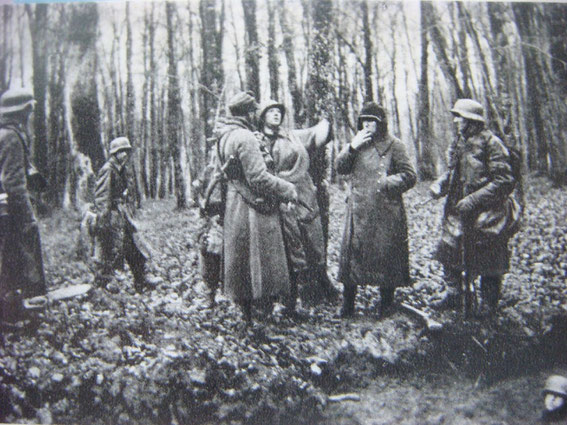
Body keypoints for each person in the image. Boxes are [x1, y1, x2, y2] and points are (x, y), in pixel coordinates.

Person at [214, 91, 299, 323]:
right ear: (249, 113)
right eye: (254, 111)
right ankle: (262, 317)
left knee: (241, 261)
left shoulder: (223, 136)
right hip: (254, 207)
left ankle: (247, 316)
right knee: (261, 261)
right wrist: (287, 188)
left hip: (234, 205)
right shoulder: (245, 137)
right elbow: (258, 178)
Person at [430, 99, 515, 314]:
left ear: (472, 121)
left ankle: (489, 303)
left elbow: (504, 181)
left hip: (489, 212)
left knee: (489, 260)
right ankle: (454, 294)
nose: (456, 121)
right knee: (449, 250)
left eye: (460, 117)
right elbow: (452, 173)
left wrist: (474, 199)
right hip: (459, 210)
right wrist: (440, 185)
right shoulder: (458, 142)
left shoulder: (492, 143)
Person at [335, 102, 416, 318]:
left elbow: (410, 175)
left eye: (372, 121)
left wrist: (387, 183)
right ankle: (348, 305)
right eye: (364, 120)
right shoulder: (357, 143)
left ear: (381, 123)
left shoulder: (394, 145)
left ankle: (386, 303)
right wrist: (351, 147)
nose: (368, 125)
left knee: (387, 256)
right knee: (353, 257)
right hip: (359, 208)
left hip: (385, 210)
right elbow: (339, 168)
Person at [256, 100, 338, 307]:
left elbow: (317, 135)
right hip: (273, 200)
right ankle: (285, 298)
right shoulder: (256, 141)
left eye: (278, 112)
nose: (276, 115)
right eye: (271, 112)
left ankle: (312, 292)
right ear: (262, 116)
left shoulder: (292, 136)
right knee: (282, 250)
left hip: (302, 196)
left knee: (311, 242)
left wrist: (328, 117)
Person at [0, 88, 47, 321]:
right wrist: (25, 213)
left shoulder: (6, 134)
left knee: (7, 257)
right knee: (21, 250)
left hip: (4, 208)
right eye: (28, 111)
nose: (29, 116)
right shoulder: (11, 137)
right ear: (20, 113)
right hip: (10, 208)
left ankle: (12, 306)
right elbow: (13, 181)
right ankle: (23, 303)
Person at [93, 137, 156, 293]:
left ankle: (141, 280)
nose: (126, 155)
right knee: (109, 251)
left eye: (127, 151)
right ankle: (103, 286)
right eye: (122, 152)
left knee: (133, 247)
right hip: (111, 216)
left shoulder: (121, 169)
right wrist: (103, 220)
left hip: (122, 215)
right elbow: (102, 196)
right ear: (114, 154)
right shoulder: (108, 169)